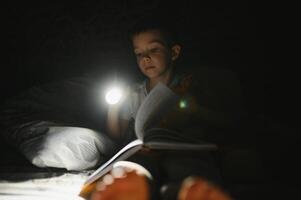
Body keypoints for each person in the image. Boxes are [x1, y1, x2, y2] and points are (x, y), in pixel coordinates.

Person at [103, 16, 241, 199]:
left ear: (174, 53)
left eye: (154, 49)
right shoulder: (134, 93)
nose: (145, 58)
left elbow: (228, 122)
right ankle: (132, 191)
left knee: (185, 170)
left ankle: (192, 193)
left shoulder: (190, 86)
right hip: (149, 154)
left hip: (184, 153)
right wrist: (114, 106)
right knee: (132, 169)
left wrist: (196, 110)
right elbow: (115, 136)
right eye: (138, 53)